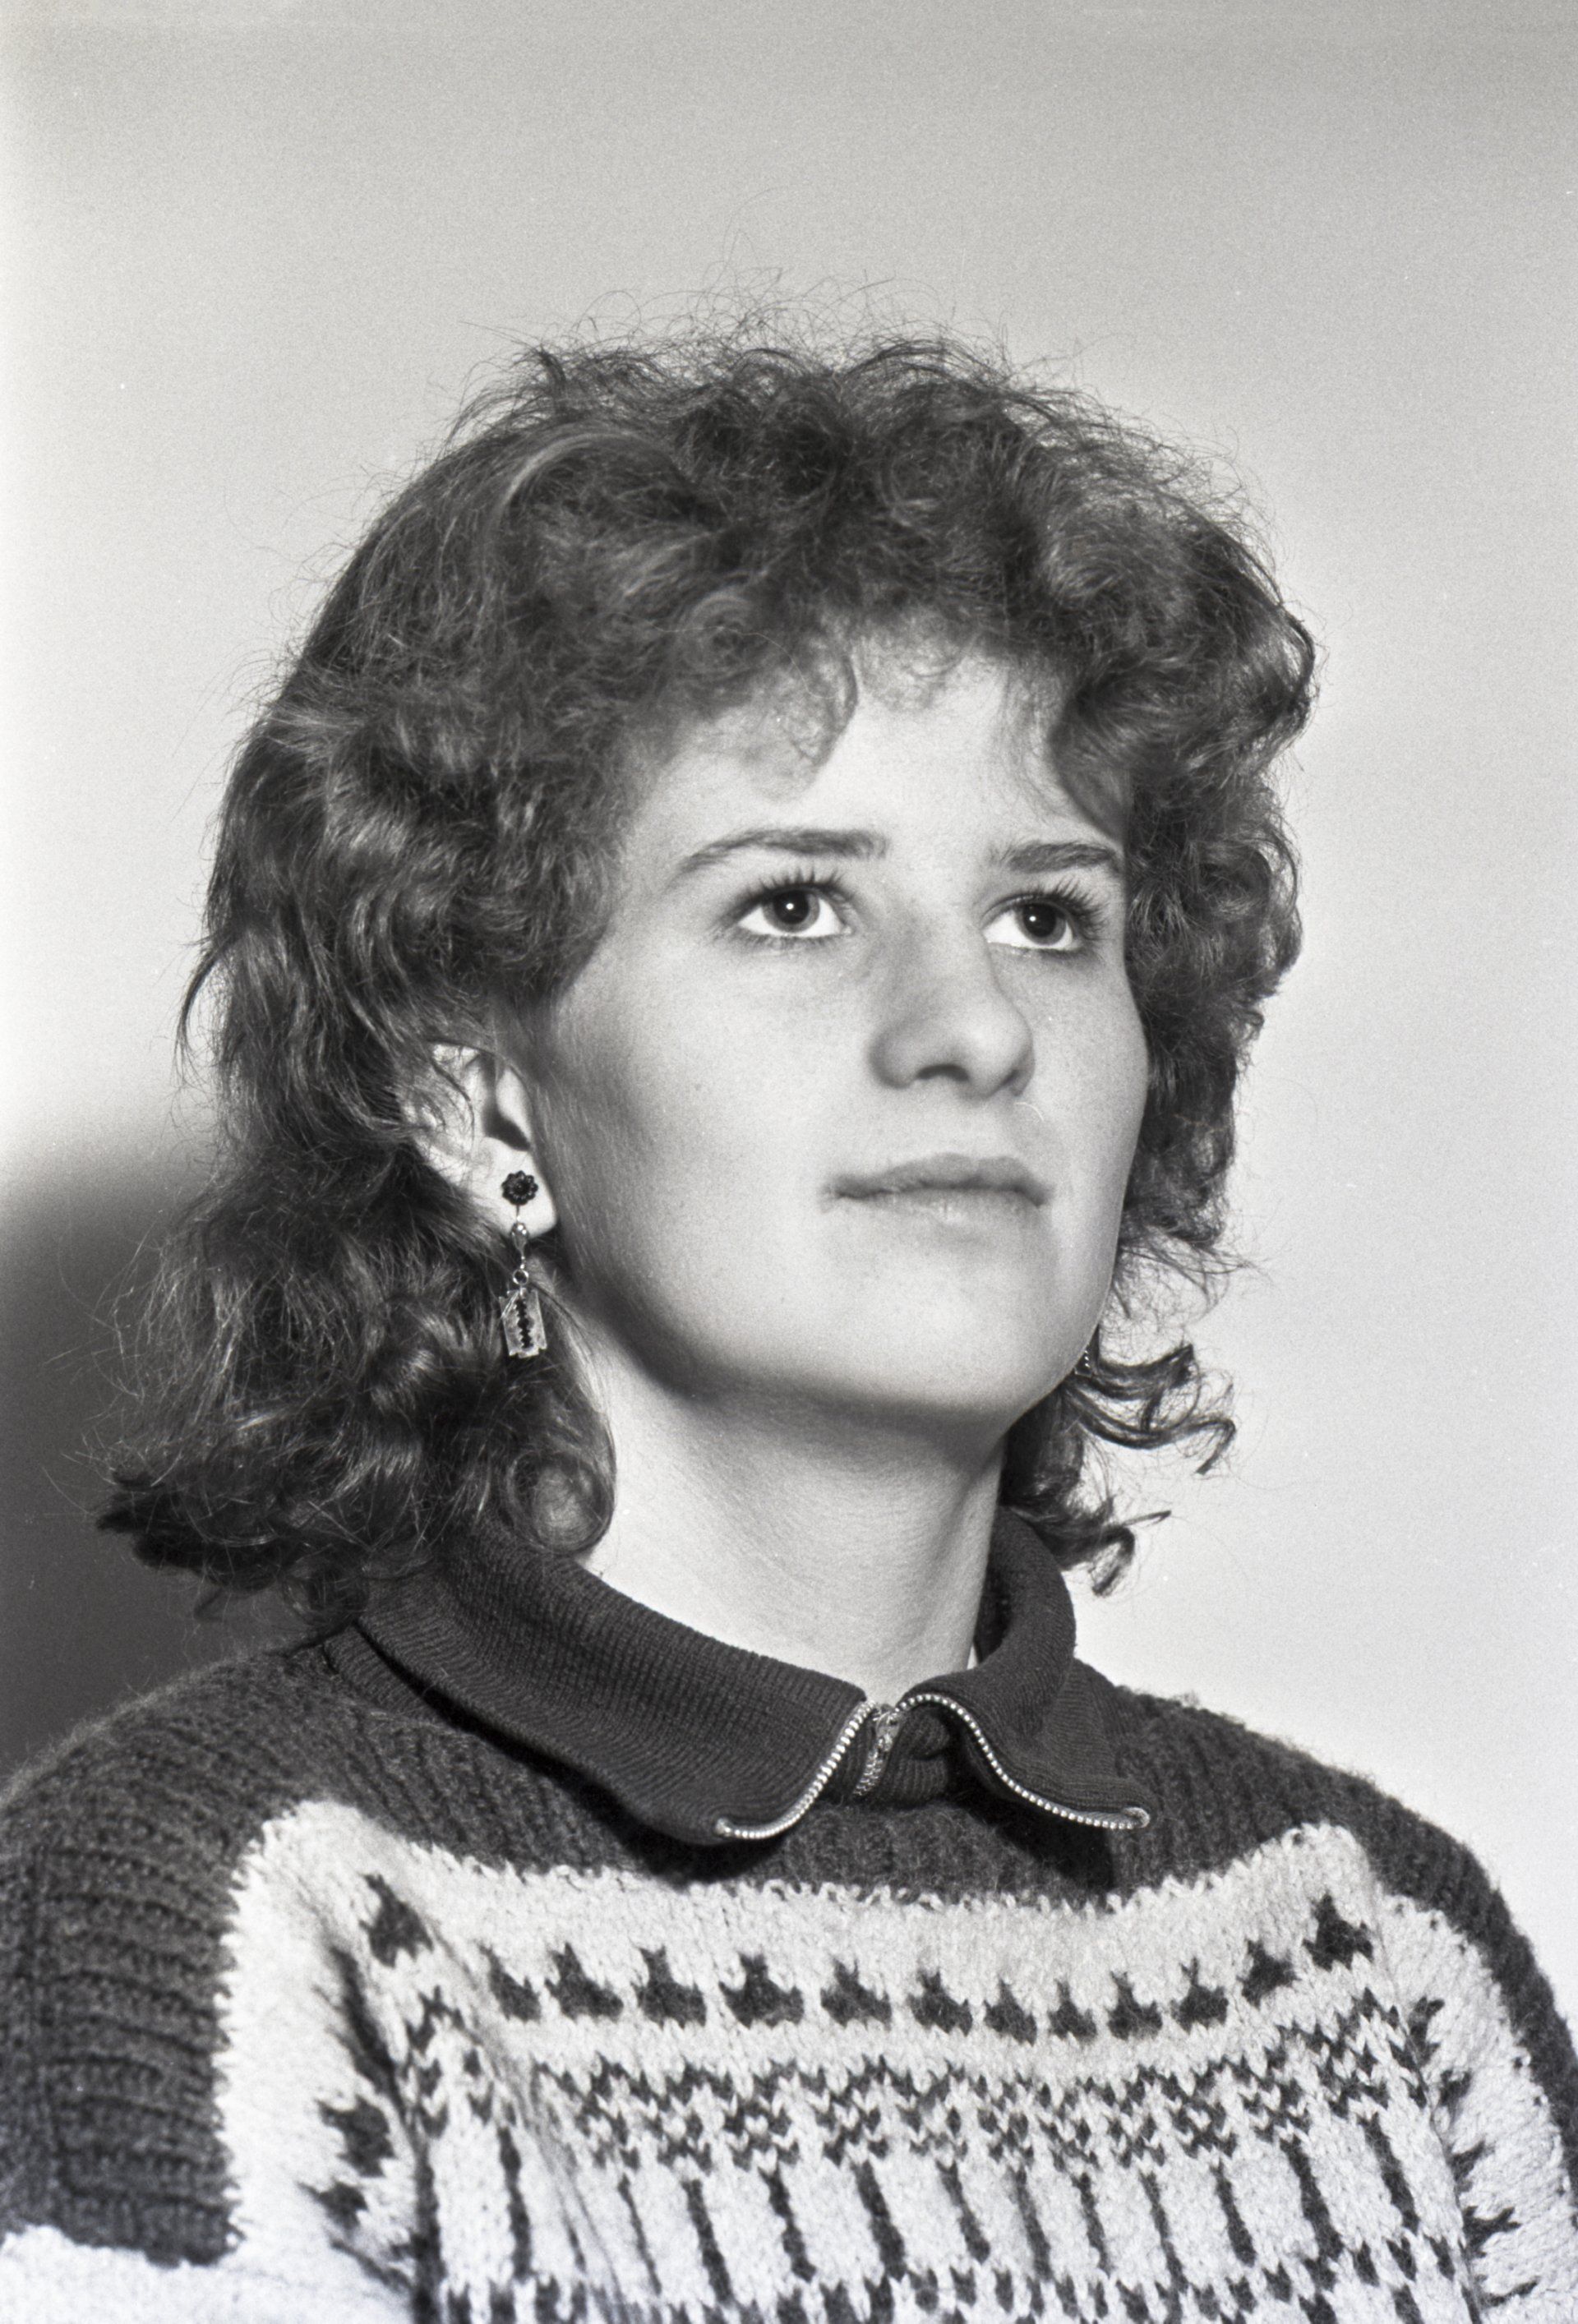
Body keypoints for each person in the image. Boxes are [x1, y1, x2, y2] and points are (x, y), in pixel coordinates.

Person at [1, 325, 1573, 2324]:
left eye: (1049, 916)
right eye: (796, 906)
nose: (975, 1026)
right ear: (480, 1101)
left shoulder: (1390, 1962)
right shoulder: (209, 1925)